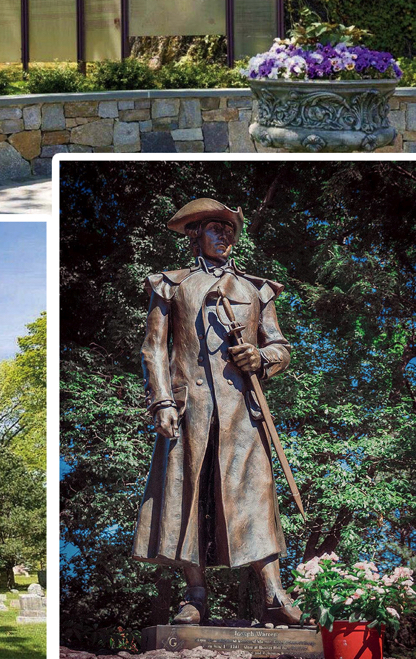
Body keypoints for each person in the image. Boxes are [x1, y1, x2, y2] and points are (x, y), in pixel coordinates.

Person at [131, 198, 303, 625]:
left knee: (256, 493)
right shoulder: (170, 284)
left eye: (230, 231)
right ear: (196, 235)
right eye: (215, 228)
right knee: (186, 496)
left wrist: (261, 358)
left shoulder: (255, 289)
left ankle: (274, 594)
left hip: (243, 411)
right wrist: (162, 401)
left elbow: (280, 346)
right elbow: (154, 348)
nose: (225, 236)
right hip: (189, 407)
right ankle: (195, 595)